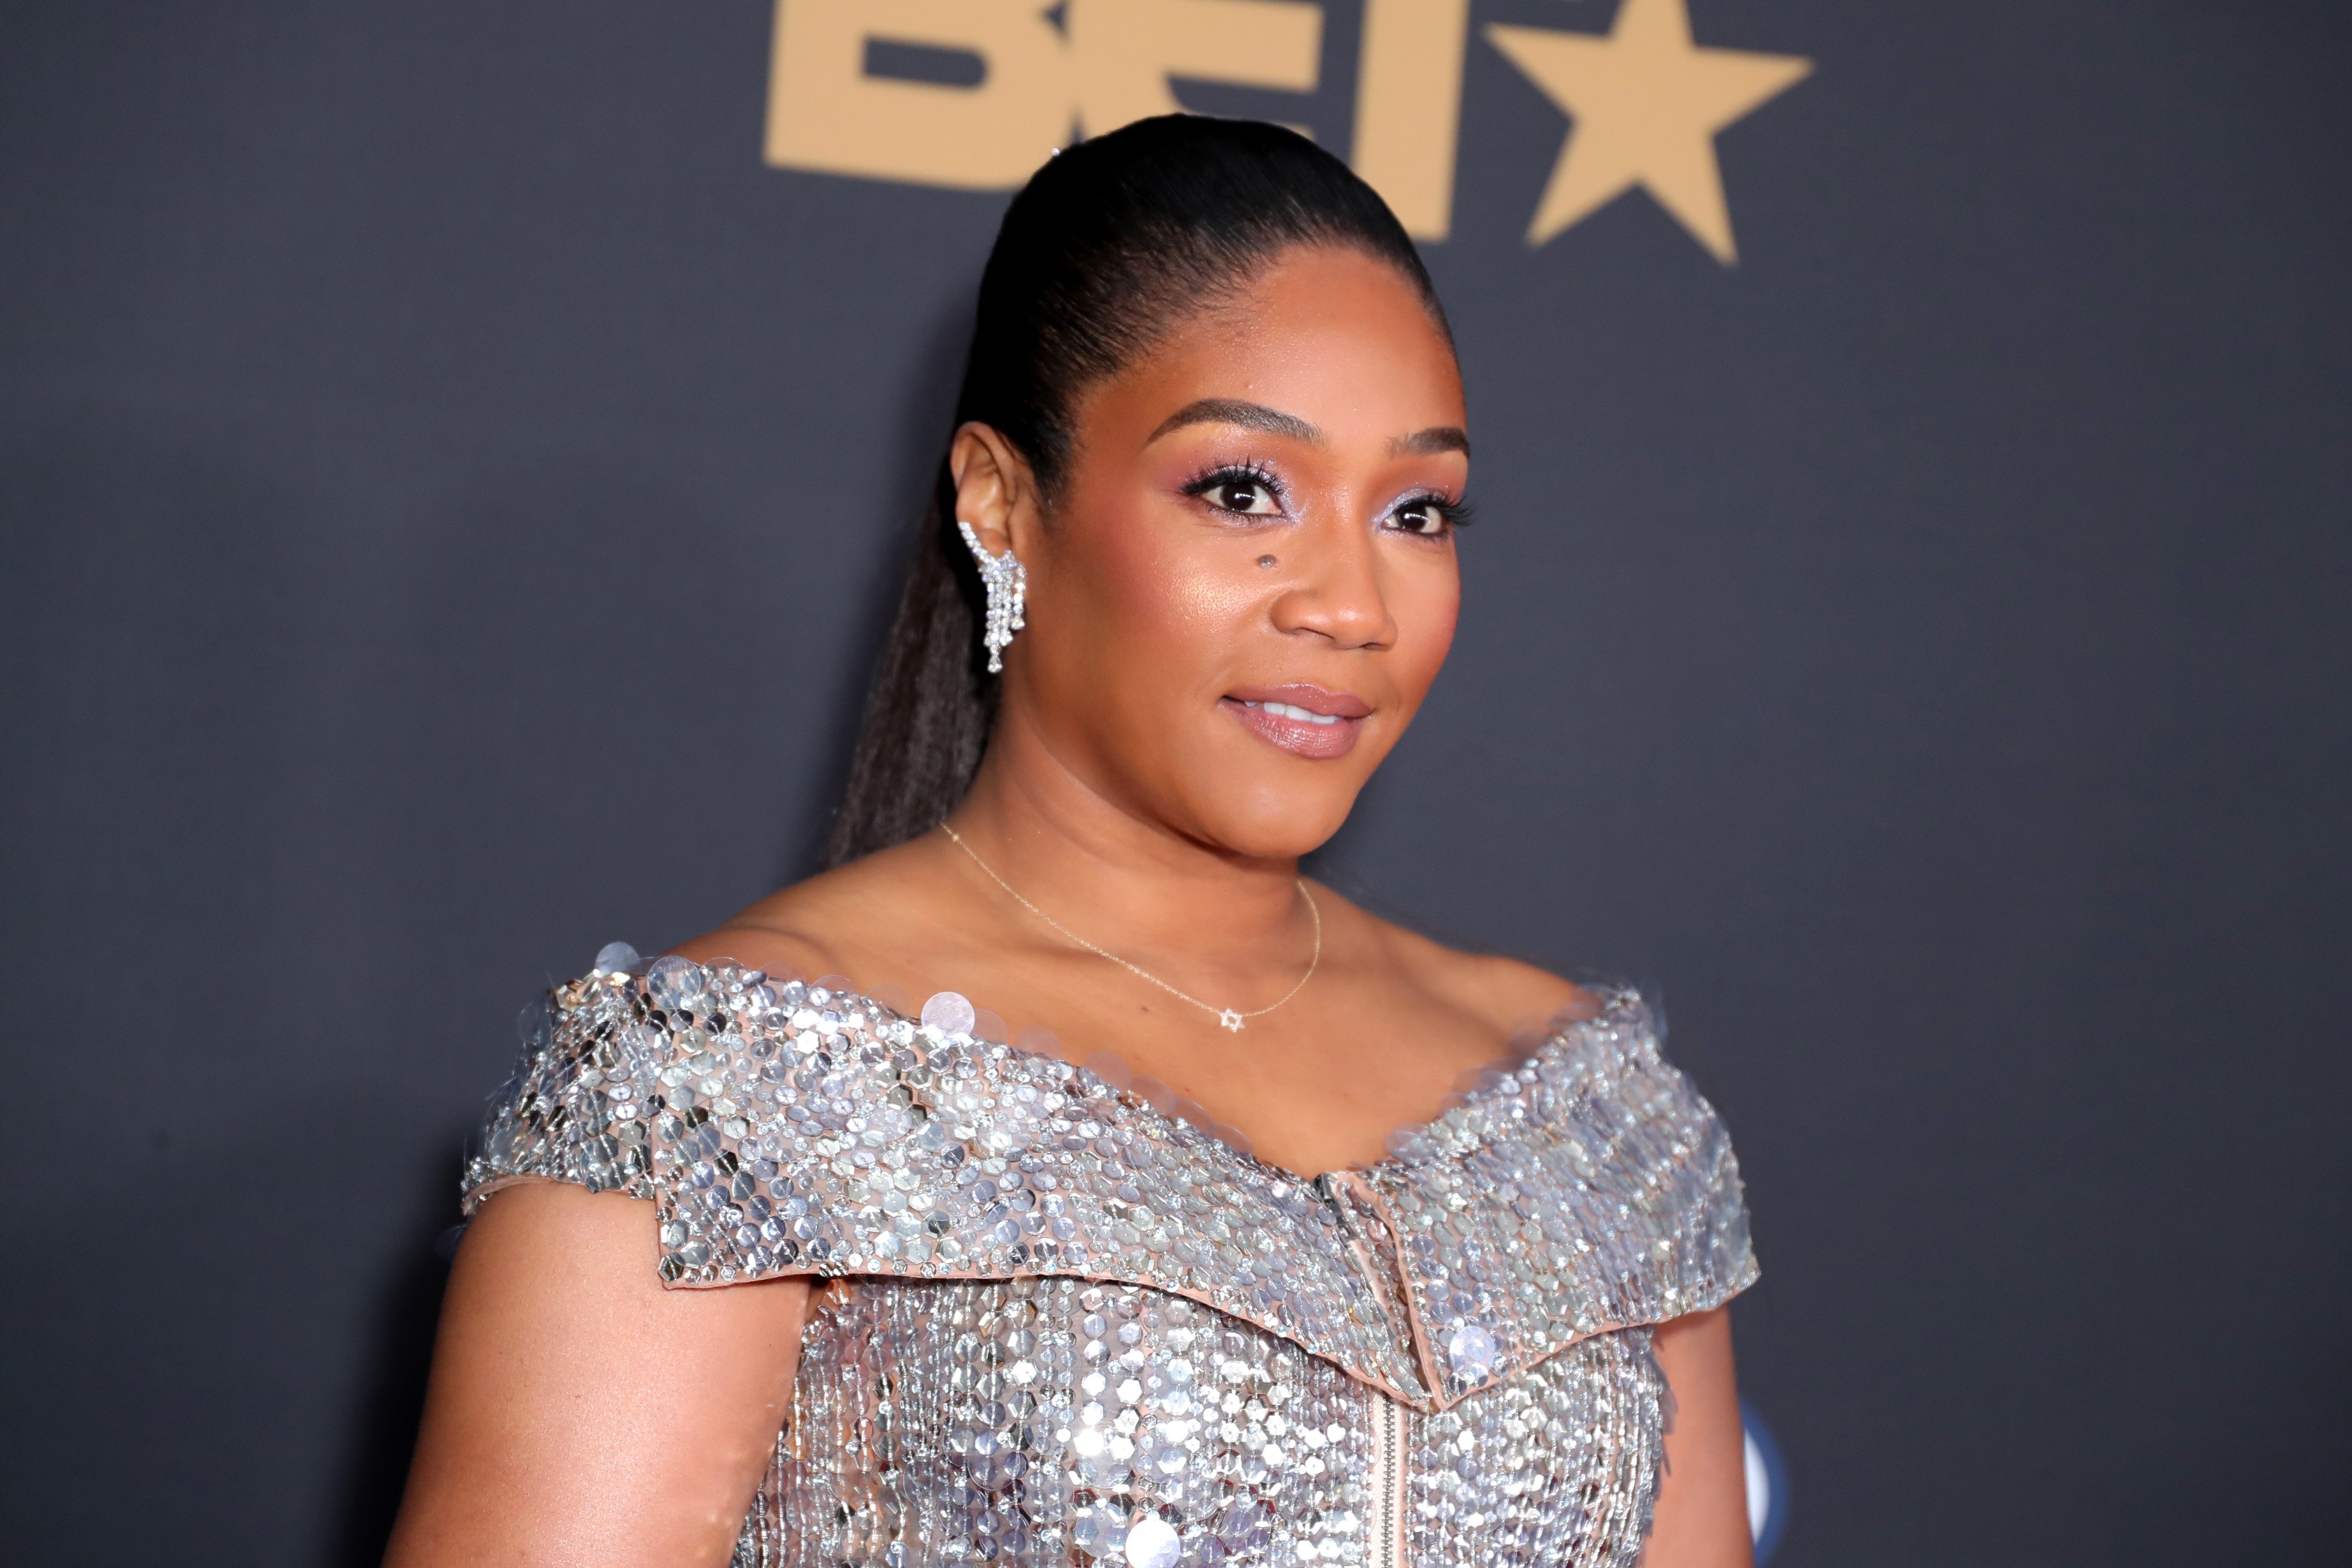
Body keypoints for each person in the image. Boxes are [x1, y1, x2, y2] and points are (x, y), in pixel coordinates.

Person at [385, 115, 1758, 1568]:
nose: (1354, 603)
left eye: (1418, 508)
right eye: (1244, 491)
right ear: (1001, 502)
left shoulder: (1592, 1114)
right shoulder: (716, 1099)